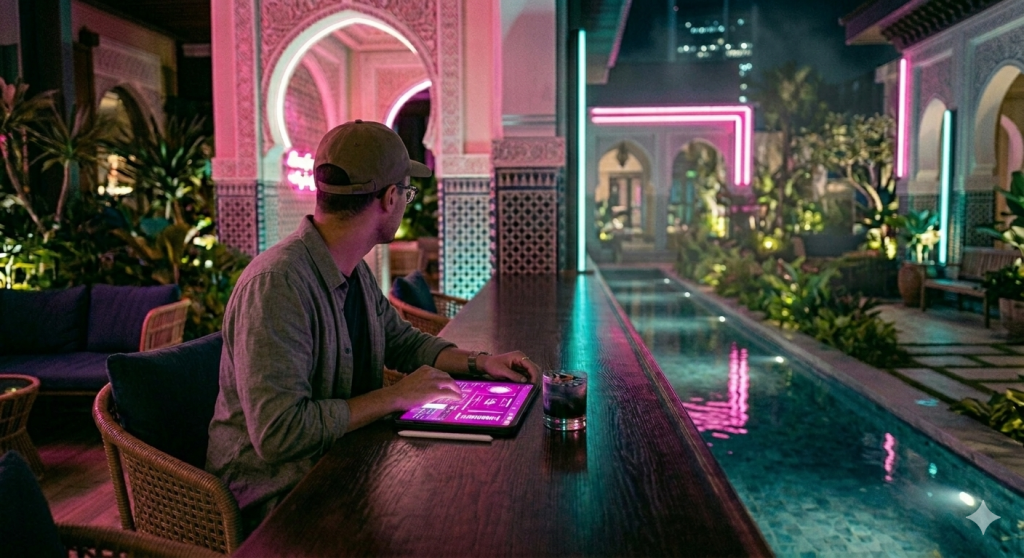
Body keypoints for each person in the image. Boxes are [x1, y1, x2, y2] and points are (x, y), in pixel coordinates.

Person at [206, 120, 540, 531]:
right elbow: (279, 434)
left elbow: (400, 341)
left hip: (343, 464)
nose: (405, 202)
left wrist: (481, 363)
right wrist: (396, 397)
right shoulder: (278, 285)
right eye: (407, 192)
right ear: (390, 198)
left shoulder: (353, 271)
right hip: (278, 504)